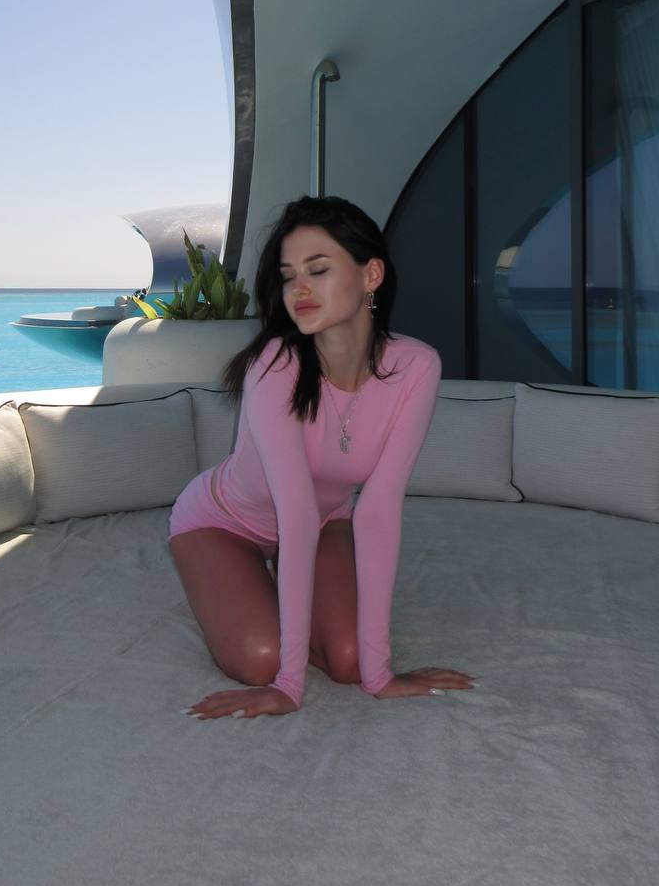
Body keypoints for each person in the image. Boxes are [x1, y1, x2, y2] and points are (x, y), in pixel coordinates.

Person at [168, 194, 475, 719]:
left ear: (371, 274)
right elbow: (293, 511)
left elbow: (377, 509)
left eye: (318, 269)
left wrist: (380, 675)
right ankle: (246, 590)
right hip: (222, 523)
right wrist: (288, 684)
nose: (299, 289)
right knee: (262, 659)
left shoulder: (417, 367)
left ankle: (283, 600)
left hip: (325, 520)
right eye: (288, 276)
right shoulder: (274, 365)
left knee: (352, 660)